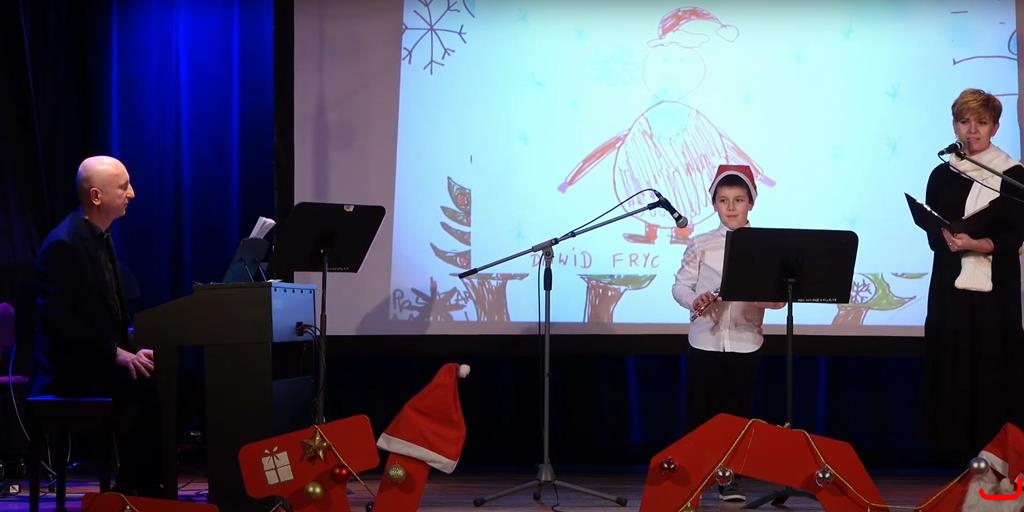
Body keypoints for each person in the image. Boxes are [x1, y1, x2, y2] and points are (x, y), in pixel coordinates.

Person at [30, 155, 163, 496]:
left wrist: (131, 349)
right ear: (96, 196)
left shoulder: (98, 236)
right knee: (145, 387)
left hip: (93, 359)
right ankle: (135, 490)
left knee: (166, 373)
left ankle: (143, 485)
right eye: (124, 187)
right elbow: (63, 326)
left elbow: (106, 315)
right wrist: (117, 354)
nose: (132, 193)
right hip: (68, 370)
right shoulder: (63, 245)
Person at [921, 89, 1024, 466]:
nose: (972, 130)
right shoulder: (942, 172)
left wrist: (979, 244)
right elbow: (933, 228)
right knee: (952, 366)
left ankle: (995, 456)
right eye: (964, 122)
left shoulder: (1012, 174)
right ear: (954, 126)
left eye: (981, 123)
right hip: (951, 288)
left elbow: (1015, 234)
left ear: (995, 127)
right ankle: (953, 456)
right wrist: (946, 238)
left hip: (994, 293)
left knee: (992, 367)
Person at [671, 164, 783, 502]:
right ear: (714, 204)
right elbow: (680, 286)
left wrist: (752, 291)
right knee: (700, 415)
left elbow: (778, 301)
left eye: (738, 200)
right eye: (723, 200)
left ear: (751, 203)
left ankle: (729, 478)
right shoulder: (701, 243)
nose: (731, 207)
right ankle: (691, 481)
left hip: (745, 342)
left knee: (737, 417)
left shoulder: (767, 246)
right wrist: (694, 299)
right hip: (704, 340)